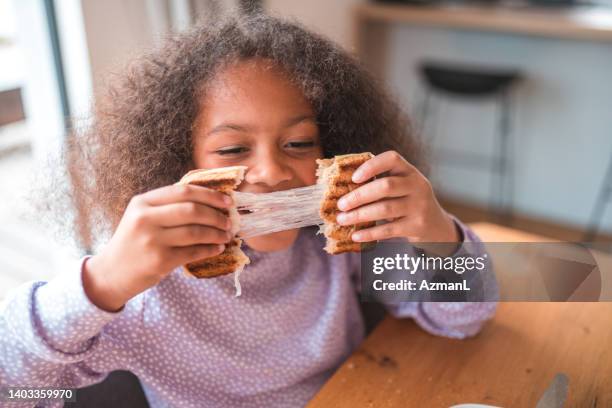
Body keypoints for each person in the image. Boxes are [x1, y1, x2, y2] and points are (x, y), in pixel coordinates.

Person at [0, 12, 497, 407]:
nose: (272, 172)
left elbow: (464, 317)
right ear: (179, 163)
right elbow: (15, 390)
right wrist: (102, 282)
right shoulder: (144, 295)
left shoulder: (342, 245)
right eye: (233, 151)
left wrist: (437, 233)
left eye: (300, 142)